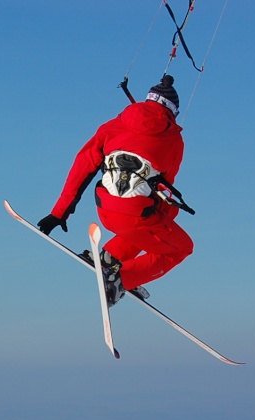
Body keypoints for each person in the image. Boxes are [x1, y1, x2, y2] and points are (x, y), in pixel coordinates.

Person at [37, 74, 193, 306]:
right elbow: (164, 186)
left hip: (105, 210)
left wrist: (59, 213)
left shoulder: (111, 126)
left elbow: (82, 167)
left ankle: (108, 260)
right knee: (180, 248)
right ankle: (120, 279)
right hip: (134, 214)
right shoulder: (173, 140)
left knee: (155, 225)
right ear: (173, 111)